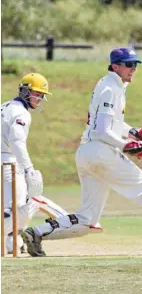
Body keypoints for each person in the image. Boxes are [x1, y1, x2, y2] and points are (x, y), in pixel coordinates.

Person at [22, 47, 142, 257]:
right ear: (115, 66)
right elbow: (101, 130)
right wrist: (126, 146)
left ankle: (36, 233)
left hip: (87, 153)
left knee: (87, 221)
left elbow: (111, 124)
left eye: (135, 64)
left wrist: (136, 133)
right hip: (100, 150)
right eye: (129, 64)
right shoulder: (110, 88)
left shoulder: (113, 85)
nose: (133, 69)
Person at [1, 73, 87, 254]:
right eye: (36, 94)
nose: (39, 99)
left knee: (11, 210)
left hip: (6, 159)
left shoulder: (5, 107)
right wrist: (29, 169)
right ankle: (71, 221)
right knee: (28, 203)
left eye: (41, 95)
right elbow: (16, 141)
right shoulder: (20, 112)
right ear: (25, 91)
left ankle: (12, 239)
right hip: (7, 161)